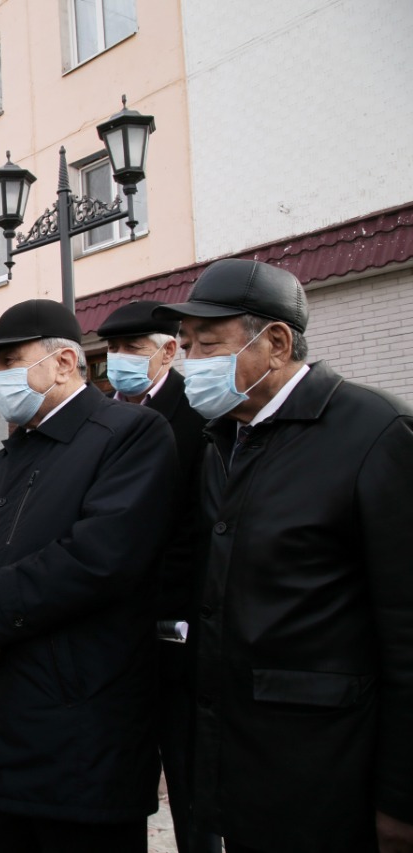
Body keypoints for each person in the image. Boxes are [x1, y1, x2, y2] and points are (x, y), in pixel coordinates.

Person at [152, 258, 413, 853]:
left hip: (327, 773)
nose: (191, 365)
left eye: (208, 345)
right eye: (185, 347)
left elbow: (406, 631)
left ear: (275, 342)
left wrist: (402, 797)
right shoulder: (226, 440)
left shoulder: (374, 433)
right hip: (238, 769)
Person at [0, 298, 177, 853]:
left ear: (65, 363)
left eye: (10, 362)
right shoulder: (11, 452)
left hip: (82, 733)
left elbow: (96, 557)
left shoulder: (131, 434)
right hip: (2, 720)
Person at [96, 301, 217, 853]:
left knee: (190, 771)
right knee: (118, 769)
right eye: (113, 350)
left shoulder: (201, 416)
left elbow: (202, 529)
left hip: (178, 627)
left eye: (133, 350)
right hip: (109, 630)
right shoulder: (99, 417)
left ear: (169, 351)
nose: (119, 361)